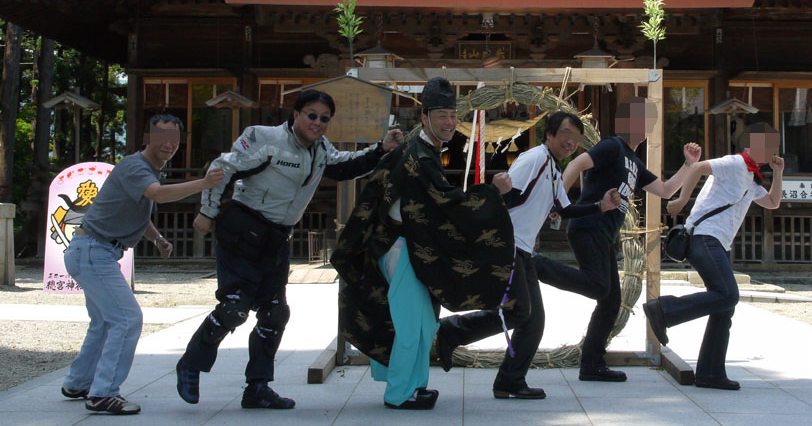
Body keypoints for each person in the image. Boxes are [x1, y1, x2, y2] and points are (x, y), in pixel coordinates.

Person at [175, 89, 403, 410]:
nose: (318, 123)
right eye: (311, 115)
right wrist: (207, 211)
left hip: (278, 237)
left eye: (324, 118)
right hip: (243, 229)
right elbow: (223, 167)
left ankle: (257, 388)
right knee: (234, 307)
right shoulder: (264, 138)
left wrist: (382, 148)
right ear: (295, 114)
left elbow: (345, 166)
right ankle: (191, 363)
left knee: (275, 312)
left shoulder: (320, 149)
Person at [331, 77, 516, 410]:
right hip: (400, 248)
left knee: (424, 321)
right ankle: (400, 394)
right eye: (442, 115)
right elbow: (448, 204)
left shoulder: (421, 151)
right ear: (425, 117)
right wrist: (493, 192)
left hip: (408, 247)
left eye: (452, 115)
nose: (449, 122)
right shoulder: (419, 156)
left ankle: (414, 385)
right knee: (411, 323)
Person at [436, 111, 621, 400]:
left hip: (524, 250)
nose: (570, 142)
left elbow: (566, 208)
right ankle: (453, 331)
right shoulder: (534, 159)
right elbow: (508, 196)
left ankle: (509, 380)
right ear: (549, 134)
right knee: (522, 312)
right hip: (508, 246)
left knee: (532, 320)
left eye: (575, 137)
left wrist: (600, 206)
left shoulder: (553, 168)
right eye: (565, 134)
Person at [61, 114, 224, 416]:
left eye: (174, 139)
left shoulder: (148, 169)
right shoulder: (135, 166)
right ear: (147, 137)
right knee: (126, 319)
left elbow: (138, 209)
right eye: (161, 137)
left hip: (92, 251)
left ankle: (77, 383)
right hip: (94, 251)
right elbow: (157, 196)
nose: (168, 144)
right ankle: (103, 394)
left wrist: (157, 237)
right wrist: (205, 182)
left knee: (104, 322)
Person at [533, 96, 701, 382]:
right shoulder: (612, 146)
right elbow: (576, 165)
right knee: (600, 287)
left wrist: (688, 164)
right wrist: (556, 200)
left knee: (611, 300)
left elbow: (664, 190)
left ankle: (592, 365)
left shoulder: (635, 161)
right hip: (589, 224)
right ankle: (538, 266)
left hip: (604, 233)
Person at [643, 123, 784, 390]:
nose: (767, 151)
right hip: (704, 237)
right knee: (729, 295)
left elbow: (773, 203)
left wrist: (778, 173)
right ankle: (664, 309)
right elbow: (697, 167)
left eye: (771, 147)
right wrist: (683, 201)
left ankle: (710, 373)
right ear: (749, 144)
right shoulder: (733, 163)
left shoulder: (752, 178)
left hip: (716, 243)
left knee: (724, 306)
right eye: (763, 145)